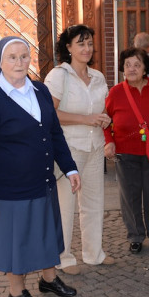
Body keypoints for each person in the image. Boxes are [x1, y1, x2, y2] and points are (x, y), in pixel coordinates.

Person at [0, 36, 79, 297]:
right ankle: (16, 293)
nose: (19, 63)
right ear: (0, 62)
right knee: (16, 243)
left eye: (24, 56)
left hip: (42, 182)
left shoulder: (40, 91)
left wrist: (70, 167)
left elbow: (54, 134)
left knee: (46, 233)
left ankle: (48, 280)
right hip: (9, 190)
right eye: (12, 57)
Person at [44, 25, 114, 276]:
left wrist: (103, 120)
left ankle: (94, 254)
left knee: (94, 203)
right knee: (65, 205)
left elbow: (100, 111)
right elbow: (49, 114)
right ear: (69, 47)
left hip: (94, 146)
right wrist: (87, 119)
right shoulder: (58, 75)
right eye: (80, 43)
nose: (87, 48)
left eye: (89, 43)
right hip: (68, 149)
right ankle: (63, 256)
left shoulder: (98, 77)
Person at [104, 47, 149, 254]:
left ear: (145, 69)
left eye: (136, 65)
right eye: (127, 65)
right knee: (130, 196)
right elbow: (105, 121)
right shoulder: (115, 92)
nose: (131, 69)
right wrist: (109, 141)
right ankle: (135, 235)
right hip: (125, 151)